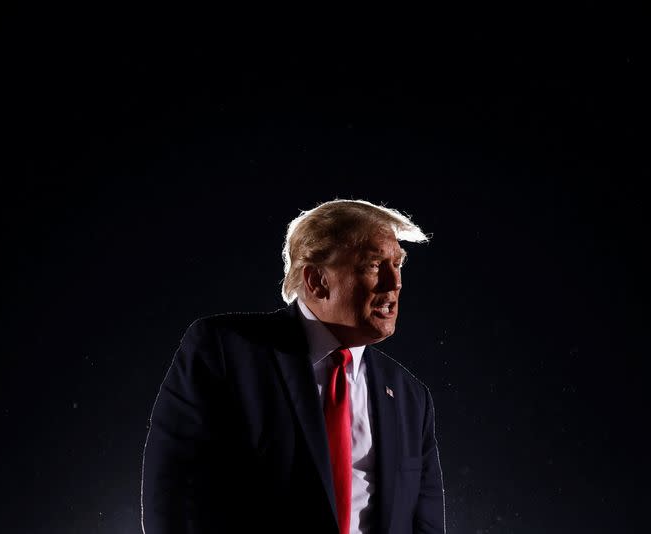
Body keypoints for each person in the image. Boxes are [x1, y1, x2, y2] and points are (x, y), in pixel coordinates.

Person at [141, 199, 445, 533]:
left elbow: (424, 523)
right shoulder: (223, 353)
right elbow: (172, 498)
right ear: (316, 281)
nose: (394, 283)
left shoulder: (411, 398)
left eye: (398, 264)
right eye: (373, 265)